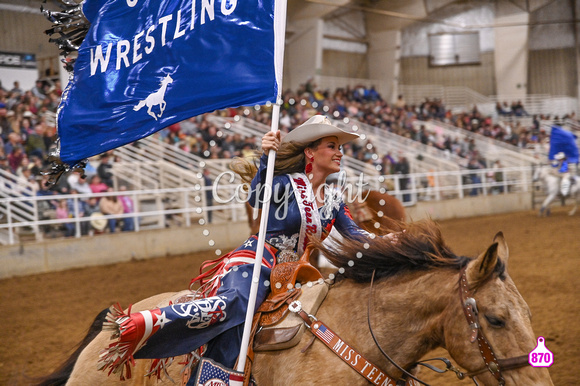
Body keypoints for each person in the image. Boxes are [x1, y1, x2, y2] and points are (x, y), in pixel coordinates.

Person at [100, 115, 400, 379]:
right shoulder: (285, 182)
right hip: (256, 259)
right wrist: (266, 159)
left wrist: (387, 242)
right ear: (310, 151)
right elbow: (258, 198)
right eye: (332, 146)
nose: (340, 152)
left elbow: (355, 234)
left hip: (294, 272)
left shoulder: (334, 198)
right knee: (236, 305)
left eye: (340, 147)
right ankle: (146, 326)